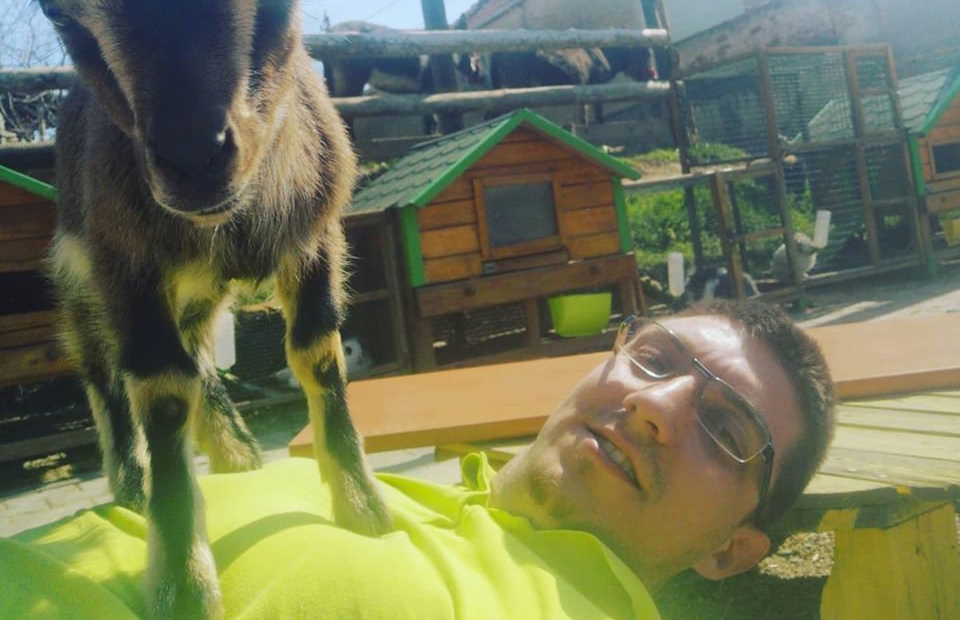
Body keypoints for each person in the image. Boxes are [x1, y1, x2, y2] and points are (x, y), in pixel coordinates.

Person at [0, 299, 834, 620]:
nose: (657, 406)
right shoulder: (388, 489)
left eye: (727, 429)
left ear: (732, 551)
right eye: (653, 359)